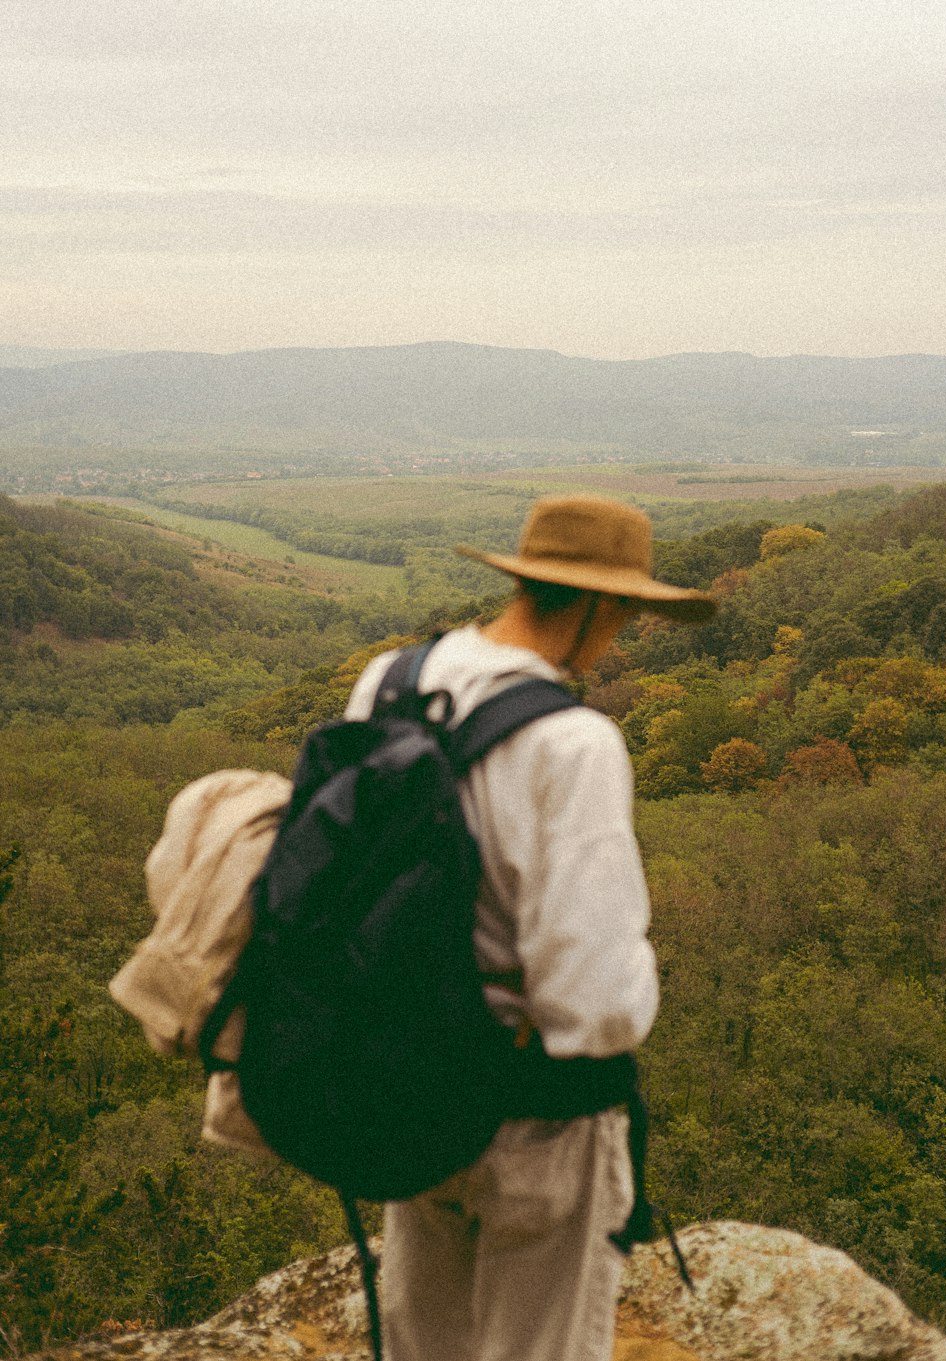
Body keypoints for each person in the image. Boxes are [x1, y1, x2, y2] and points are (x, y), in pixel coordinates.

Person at [341, 495, 714, 1361]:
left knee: (424, 1342)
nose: (620, 633)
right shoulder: (574, 742)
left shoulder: (389, 682)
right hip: (536, 1114)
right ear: (595, 603)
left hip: (407, 1086)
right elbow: (589, 996)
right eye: (622, 613)